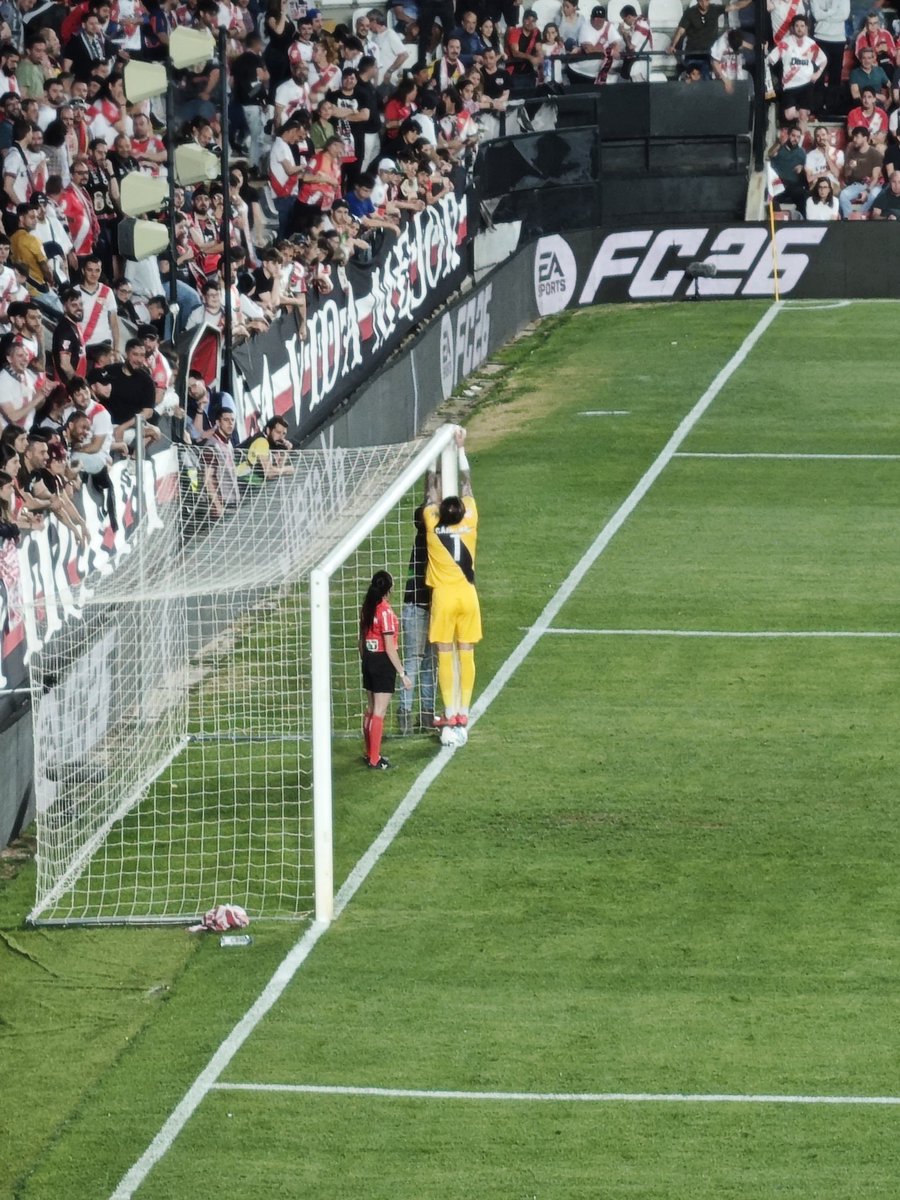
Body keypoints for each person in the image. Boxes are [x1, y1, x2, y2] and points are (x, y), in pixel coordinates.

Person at [424, 426, 480, 738]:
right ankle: (463, 713)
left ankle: (448, 712)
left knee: (444, 653)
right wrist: (460, 448)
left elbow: (429, 491)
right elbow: (467, 484)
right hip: (468, 595)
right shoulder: (470, 519)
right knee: (466, 651)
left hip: (443, 597)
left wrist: (433, 462)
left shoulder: (432, 526)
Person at [359, 568, 411, 769]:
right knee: (379, 712)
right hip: (382, 663)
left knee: (371, 709)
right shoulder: (386, 612)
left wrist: (366, 660)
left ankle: (369, 752)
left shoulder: (367, 608)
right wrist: (402, 673)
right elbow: (390, 648)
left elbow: (361, 639)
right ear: (388, 589)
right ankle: (374, 758)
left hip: (369, 660)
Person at [397, 503, 437, 734]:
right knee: (418, 660)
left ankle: (422, 717)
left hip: (423, 607)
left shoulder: (422, 539)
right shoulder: (429, 542)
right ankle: (411, 716)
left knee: (425, 662)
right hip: (418, 608)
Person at [767, 14, 824, 133]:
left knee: (803, 116)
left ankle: (801, 144)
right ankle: (805, 117)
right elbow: (771, 59)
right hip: (790, 85)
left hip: (806, 85)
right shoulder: (785, 43)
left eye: (802, 26)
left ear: (806, 28)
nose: (799, 28)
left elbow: (823, 60)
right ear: (792, 28)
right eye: (797, 26)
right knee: (789, 115)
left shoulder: (811, 44)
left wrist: (817, 75)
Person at [668, 0, 751, 79]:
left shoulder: (714, 9)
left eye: (706, 0)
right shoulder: (689, 13)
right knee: (696, 77)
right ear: (697, 1)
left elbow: (734, 6)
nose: (704, 3)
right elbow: (680, 31)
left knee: (710, 76)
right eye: (701, 1)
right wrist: (672, 45)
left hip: (710, 55)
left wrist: (749, 1)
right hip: (692, 54)